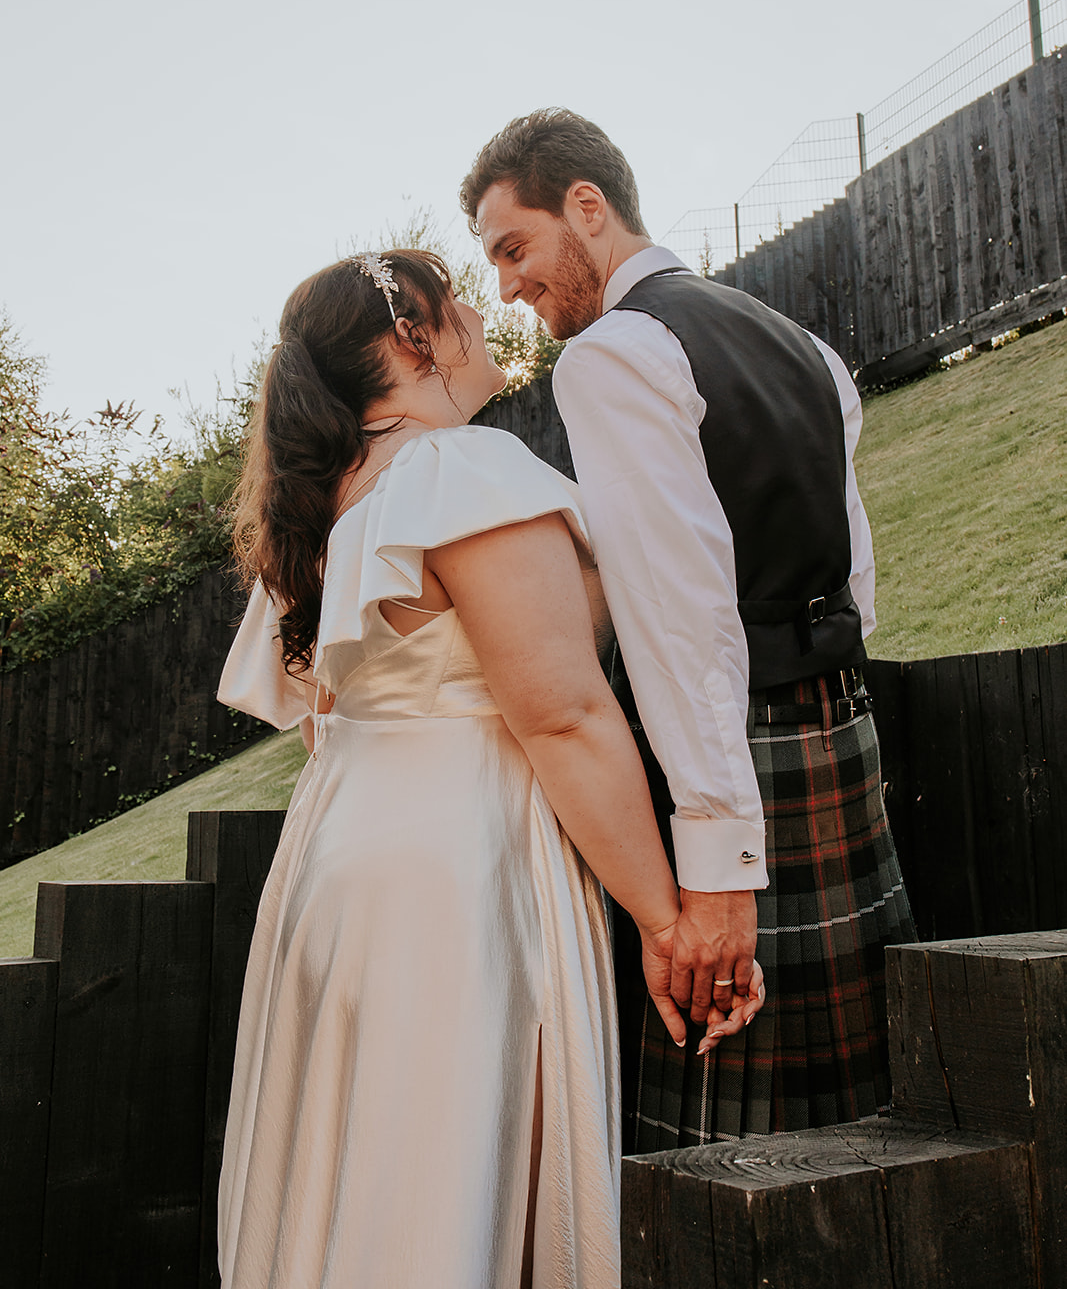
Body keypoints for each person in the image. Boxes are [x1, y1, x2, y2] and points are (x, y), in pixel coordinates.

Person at [215, 248, 764, 1289]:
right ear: (411, 336)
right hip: (452, 865)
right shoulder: (456, 469)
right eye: (455, 297)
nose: (479, 307)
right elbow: (560, 714)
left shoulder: (333, 499)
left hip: (342, 857)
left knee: (376, 1168)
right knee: (437, 1183)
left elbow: (327, 720)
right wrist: (665, 919)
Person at [461, 109, 917, 1152]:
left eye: (512, 248)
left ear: (586, 206)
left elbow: (677, 619)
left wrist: (713, 870)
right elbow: (856, 579)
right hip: (837, 737)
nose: (507, 287)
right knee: (873, 1116)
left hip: (736, 767)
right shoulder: (797, 342)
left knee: (736, 1155)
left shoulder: (613, 356)